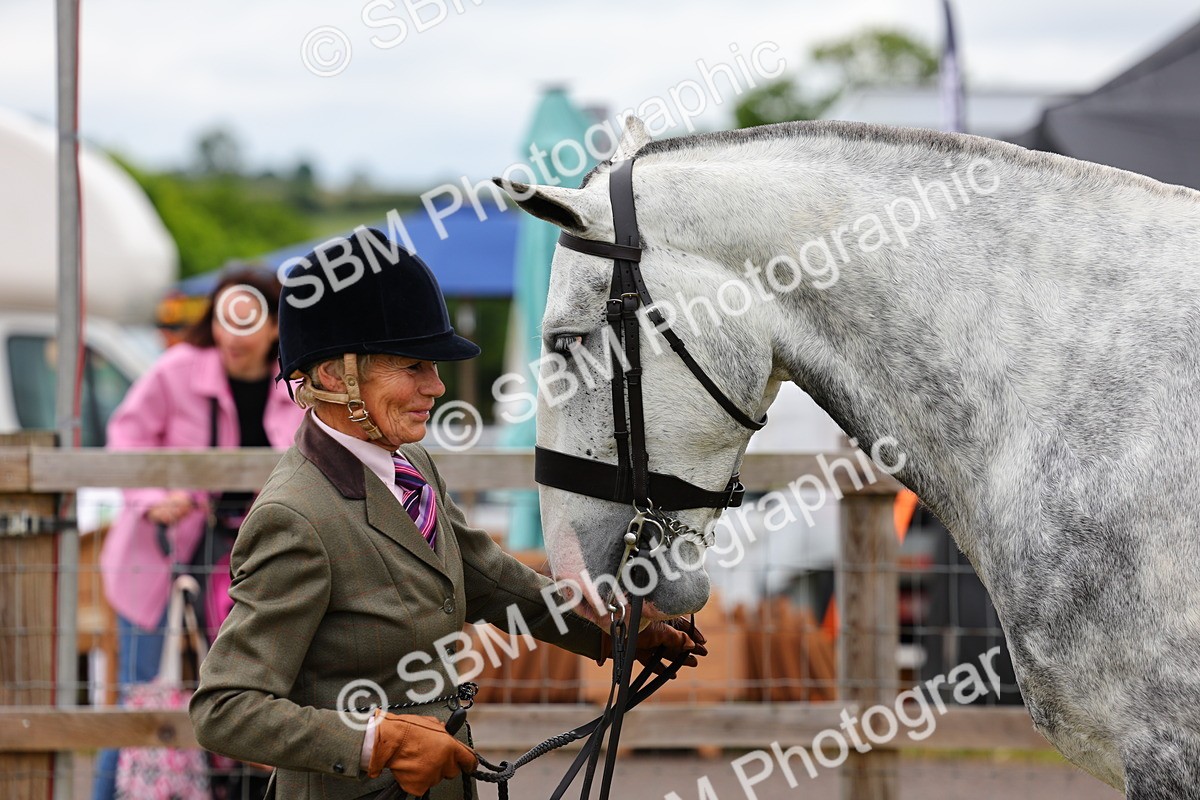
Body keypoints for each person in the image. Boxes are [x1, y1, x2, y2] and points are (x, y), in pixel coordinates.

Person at [189, 229, 706, 800]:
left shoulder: (410, 463)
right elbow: (225, 708)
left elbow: (494, 581)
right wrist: (378, 742)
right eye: (413, 366)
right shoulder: (293, 517)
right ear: (336, 377)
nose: (436, 386)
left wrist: (617, 635)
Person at [93, 268, 305, 800]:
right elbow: (124, 438)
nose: (234, 334)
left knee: (241, 697)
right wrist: (152, 499)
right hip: (161, 561)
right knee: (140, 701)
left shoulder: (296, 383)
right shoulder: (176, 370)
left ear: (276, 326)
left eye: (248, 320)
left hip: (251, 568)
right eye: (223, 319)